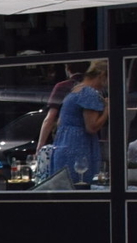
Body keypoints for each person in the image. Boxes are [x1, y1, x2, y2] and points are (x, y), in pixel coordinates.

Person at [40, 59, 109, 187]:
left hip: (63, 143)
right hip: (79, 147)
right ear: (102, 75)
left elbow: (59, 120)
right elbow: (92, 127)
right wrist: (107, 110)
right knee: (80, 185)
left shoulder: (75, 90)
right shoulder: (89, 93)